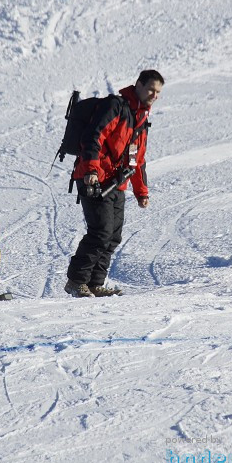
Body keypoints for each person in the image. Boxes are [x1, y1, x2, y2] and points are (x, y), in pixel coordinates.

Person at [65, 69, 164, 297]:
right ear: (138, 85)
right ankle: (76, 281)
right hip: (94, 177)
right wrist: (90, 169)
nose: (154, 95)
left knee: (113, 236)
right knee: (100, 231)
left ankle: (94, 283)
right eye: (150, 89)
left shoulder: (140, 119)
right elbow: (93, 136)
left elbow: (137, 159)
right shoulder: (116, 106)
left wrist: (142, 192)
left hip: (117, 183)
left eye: (158, 92)